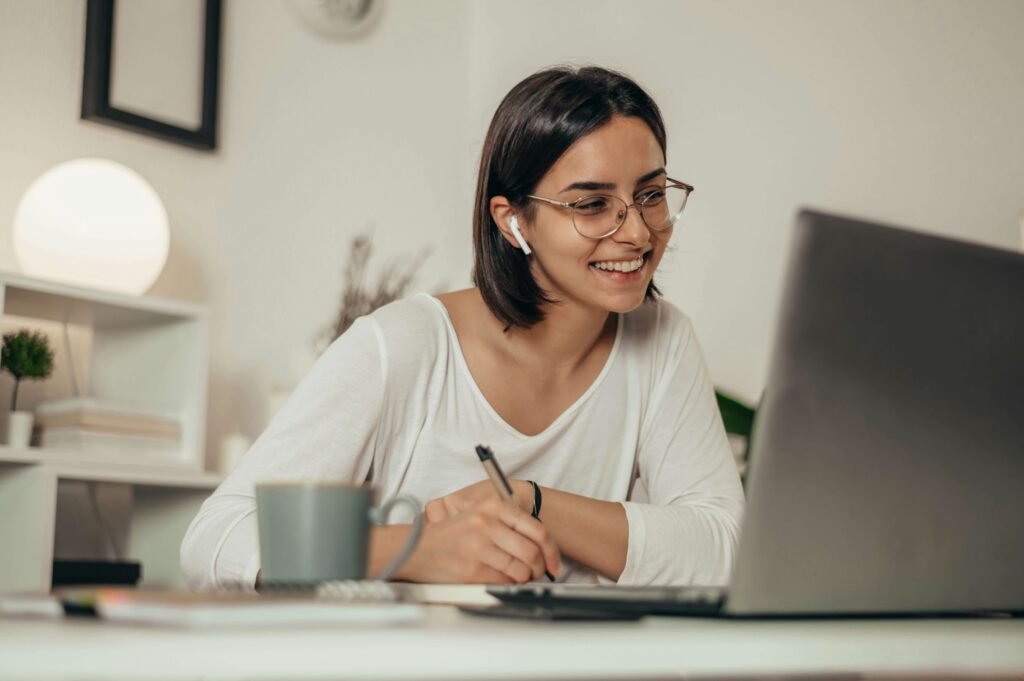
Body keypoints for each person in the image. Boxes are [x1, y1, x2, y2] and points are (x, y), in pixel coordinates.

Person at [180, 65, 744, 591]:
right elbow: (215, 538)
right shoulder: (402, 345)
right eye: (592, 204)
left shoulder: (662, 341)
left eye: (650, 195)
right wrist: (416, 550)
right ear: (513, 220)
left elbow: (726, 549)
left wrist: (530, 501)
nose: (639, 233)